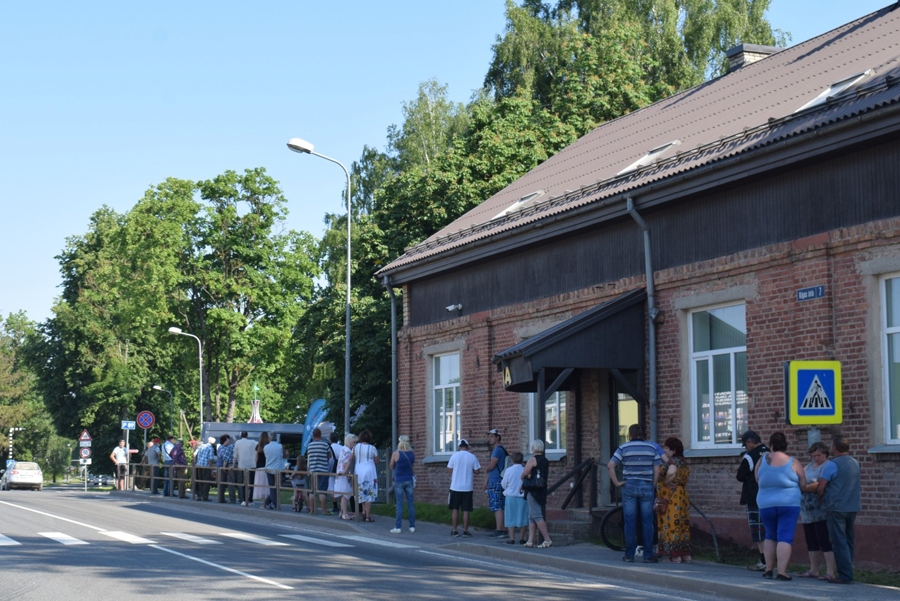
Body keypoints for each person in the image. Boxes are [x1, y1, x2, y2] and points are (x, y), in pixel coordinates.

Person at [755, 431, 807, 581]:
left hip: (766, 504)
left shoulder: (761, 460)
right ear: (785, 445)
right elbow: (803, 483)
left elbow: (757, 479)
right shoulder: (793, 462)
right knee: (785, 537)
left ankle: (768, 570)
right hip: (788, 504)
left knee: (770, 535)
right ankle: (782, 572)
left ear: (771, 445)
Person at [607, 424, 662, 563]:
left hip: (629, 485)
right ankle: (648, 555)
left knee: (630, 521)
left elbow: (610, 466)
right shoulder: (652, 448)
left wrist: (616, 483)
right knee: (647, 522)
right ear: (643, 433)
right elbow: (657, 470)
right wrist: (653, 484)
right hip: (646, 485)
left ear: (630, 434)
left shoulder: (623, 448)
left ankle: (629, 555)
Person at [817, 436, 861, 585]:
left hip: (836, 507)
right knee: (849, 540)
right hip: (852, 506)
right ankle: (848, 570)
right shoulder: (855, 463)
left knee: (838, 541)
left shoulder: (832, 464)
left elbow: (821, 486)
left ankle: (845, 575)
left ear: (835, 448)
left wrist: (820, 498)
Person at [797, 441, 836, 579]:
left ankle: (830, 571)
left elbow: (819, 485)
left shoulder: (827, 466)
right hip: (807, 511)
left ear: (825, 454)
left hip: (821, 510)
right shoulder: (808, 466)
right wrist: (804, 487)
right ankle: (814, 569)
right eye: (814, 455)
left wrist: (805, 488)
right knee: (811, 541)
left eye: (819, 455)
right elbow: (800, 480)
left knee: (824, 540)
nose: (816, 458)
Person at [737, 430, 769, 571]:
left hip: (755, 496)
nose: (745, 448)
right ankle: (773, 559)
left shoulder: (750, 456)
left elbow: (740, 475)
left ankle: (764, 560)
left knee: (758, 531)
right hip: (771, 496)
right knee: (769, 530)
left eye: (745, 445)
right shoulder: (769, 452)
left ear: (750, 442)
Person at [656, 437, 691, 563]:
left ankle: (675, 556)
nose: (665, 451)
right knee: (682, 524)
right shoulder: (683, 462)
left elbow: (671, 473)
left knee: (672, 524)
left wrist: (666, 482)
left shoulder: (673, 462)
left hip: (671, 498)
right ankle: (685, 555)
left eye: (667, 448)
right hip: (681, 495)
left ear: (673, 450)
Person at [521, 439, 553, 549]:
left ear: (533, 448)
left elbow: (525, 473)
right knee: (531, 516)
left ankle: (547, 539)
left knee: (537, 515)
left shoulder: (532, 459)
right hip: (541, 489)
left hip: (533, 490)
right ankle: (530, 541)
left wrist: (523, 479)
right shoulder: (545, 460)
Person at [447, 439, 481, 537]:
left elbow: (449, 471)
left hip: (455, 486)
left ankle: (454, 530)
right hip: (467, 487)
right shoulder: (472, 457)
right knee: (466, 510)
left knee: (455, 509)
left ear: (459, 447)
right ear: (467, 446)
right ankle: (465, 530)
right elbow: (477, 471)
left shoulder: (454, 456)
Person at [389, 435, 416, 534]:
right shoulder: (412, 452)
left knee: (399, 503)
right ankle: (412, 526)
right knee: (410, 503)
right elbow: (412, 463)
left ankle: (398, 527)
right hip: (409, 479)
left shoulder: (396, 453)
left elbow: (391, 466)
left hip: (399, 479)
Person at [305, 427, 334, 515]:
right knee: (322, 491)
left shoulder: (309, 445)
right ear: (320, 435)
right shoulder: (325, 445)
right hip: (323, 470)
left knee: (312, 491)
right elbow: (329, 456)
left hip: (312, 470)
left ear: (313, 436)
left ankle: (312, 510)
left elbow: (309, 457)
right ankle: (324, 510)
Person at [485, 428, 508, 538]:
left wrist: (487, 468)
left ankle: (499, 529)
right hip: (500, 480)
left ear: (497, 437)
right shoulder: (502, 449)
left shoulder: (497, 450)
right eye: (489, 436)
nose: (490, 438)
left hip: (496, 480)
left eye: (492, 436)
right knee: (501, 505)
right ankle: (502, 528)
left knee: (497, 506)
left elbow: (492, 465)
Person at [502, 451, 527, 545]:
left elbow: (504, 484)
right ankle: (521, 538)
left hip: (511, 496)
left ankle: (512, 538)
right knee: (523, 517)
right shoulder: (524, 470)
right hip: (522, 496)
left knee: (510, 517)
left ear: (512, 460)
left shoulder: (508, 470)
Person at [354, 430, 379, 522]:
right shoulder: (372, 448)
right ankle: (368, 516)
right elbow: (377, 461)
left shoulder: (356, 447)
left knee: (361, 491)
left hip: (358, 471)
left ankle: (364, 510)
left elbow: (352, 457)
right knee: (369, 493)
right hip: (369, 471)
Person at [334, 434, 357, 520]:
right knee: (345, 495)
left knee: (342, 494)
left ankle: (342, 512)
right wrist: (347, 472)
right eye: (354, 442)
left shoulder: (343, 449)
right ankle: (344, 513)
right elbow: (346, 463)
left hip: (339, 473)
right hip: (344, 474)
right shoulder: (348, 451)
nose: (355, 444)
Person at [232, 431, 257, 506]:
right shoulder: (253, 442)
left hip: (242, 465)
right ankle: (250, 499)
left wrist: (233, 465)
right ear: (247, 435)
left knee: (243, 483)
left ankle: (244, 499)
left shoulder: (238, 442)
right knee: (252, 483)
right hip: (252, 464)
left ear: (240, 435)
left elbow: (235, 455)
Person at [263, 431, 283, 510]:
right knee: (277, 487)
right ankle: (275, 503)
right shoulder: (280, 446)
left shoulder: (266, 447)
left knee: (272, 487)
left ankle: (269, 502)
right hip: (278, 469)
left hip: (269, 468)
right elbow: (283, 456)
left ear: (269, 438)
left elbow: (266, 456)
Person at [194, 436, 216, 501]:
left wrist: (195, 462)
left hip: (198, 466)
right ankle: (205, 497)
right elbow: (210, 460)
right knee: (206, 482)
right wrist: (211, 468)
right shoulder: (210, 448)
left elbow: (194, 454)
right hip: (206, 467)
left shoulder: (201, 446)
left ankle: (199, 495)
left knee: (199, 481)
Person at [216, 434, 237, 504]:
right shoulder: (223, 448)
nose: (229, 441)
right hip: (222, 467)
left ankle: (221, 498)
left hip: (221, 466)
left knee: (222, 483)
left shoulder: (221, 447)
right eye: (228, 439)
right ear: (225, 440)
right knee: (222, 483)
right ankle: (221, 499)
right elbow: (224, 458)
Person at [253, 432, 271, 504]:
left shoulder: (258, 446)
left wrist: (256, 465)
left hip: (259, 467)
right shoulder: (269, 446)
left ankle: (262, 502)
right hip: (267, 467)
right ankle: (267, 501)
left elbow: (255, 457)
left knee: (260, 485)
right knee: (267, 485)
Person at [329, 431, 343, 513]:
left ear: (330, 439)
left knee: (331, 489)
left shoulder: (329, 447)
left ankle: (335, 506)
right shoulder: (342, 447)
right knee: (341, 488)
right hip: (341, 470)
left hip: (331, 470)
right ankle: (343, 507)